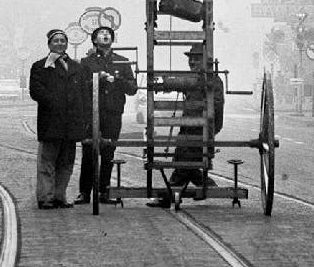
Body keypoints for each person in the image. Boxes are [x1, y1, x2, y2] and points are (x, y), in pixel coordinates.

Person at [146, 52, 226, 207]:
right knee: (186, 159)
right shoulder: (192, 79)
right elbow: (176, 83)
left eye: (196, 59)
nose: (192, 62)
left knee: (184, 160)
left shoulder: (214, 81)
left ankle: (169, 196)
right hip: (188, 127)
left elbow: (216, 105)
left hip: (202, 128)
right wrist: (162, 83)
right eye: (190, 59)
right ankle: (206, 185)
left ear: (205, 61)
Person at [75, 26, 137, 205]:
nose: (105, 35)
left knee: (108, 152)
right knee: (88, 151)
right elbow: (79, 86)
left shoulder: (122, 61)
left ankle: (105, 191)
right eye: (101, 34)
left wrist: (115, 80)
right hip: (91, 112)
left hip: (113, 112)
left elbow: (132, 89)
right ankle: (85, 192)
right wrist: (96, 79)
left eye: (108, 34)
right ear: (94, 40)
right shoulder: (86, 62)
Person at [29, 29, 85, 210]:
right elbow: (36, 91)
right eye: (56, 41)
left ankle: (60, 196)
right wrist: (56, 102)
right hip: (51, 122)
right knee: (47, 162)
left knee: (66, 162)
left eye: (63, 41)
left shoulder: (76, 67)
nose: (60, 44)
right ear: (49, 44)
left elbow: (83, 94)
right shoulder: (40, 67)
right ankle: (46, 197)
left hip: (71, 125)